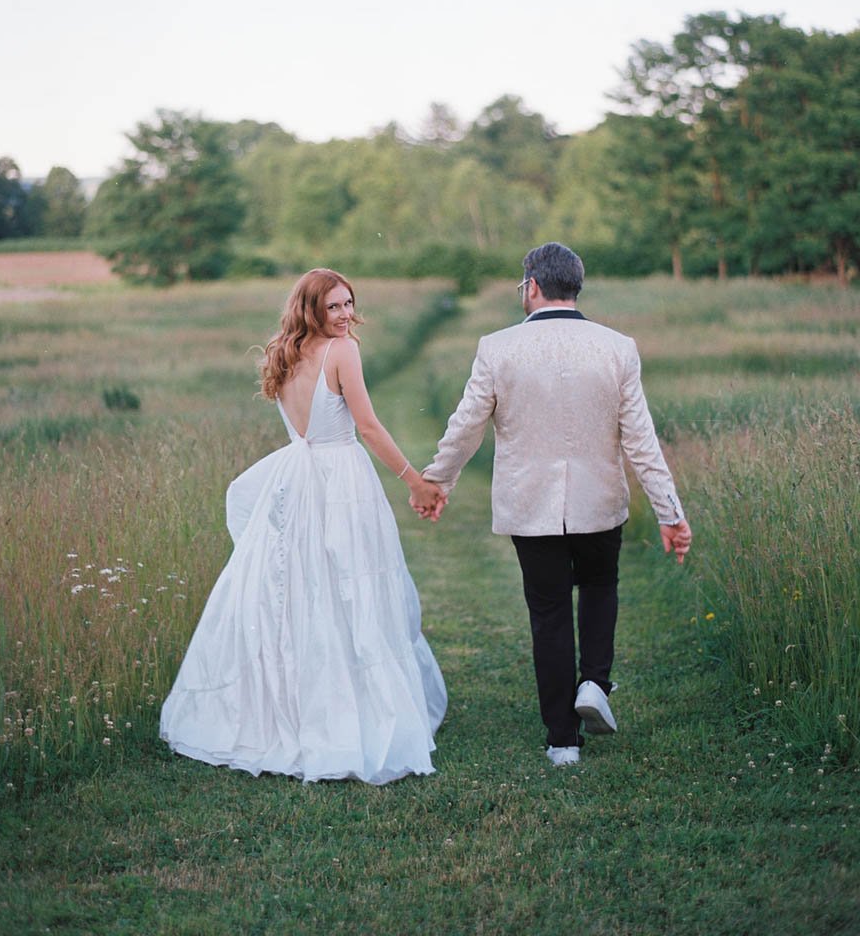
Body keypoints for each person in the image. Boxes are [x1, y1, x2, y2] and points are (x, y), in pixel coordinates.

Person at [160, 268, 448, 785]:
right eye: (333, 306)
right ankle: (346, 713)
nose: (343, 316)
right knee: (344, 588)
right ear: (310, 308)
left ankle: (302, 709)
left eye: (348, 304)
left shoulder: (282, 352)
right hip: (338, 476)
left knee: (305, 588)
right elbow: (367, 426)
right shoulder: (343, 353)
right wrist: (415, 481)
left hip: (298, 478)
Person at [417, 242, 692, 768]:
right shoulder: (617, 347)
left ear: (533, 286)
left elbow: (466, 426)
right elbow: (641, 442)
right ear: (574, 286)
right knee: (598, 586)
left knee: (547, 613)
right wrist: (669, 512)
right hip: (599, 498)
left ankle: (562, 740)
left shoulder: (497, 348)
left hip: (530, 504)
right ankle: (594, 682)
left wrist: (437, 481)